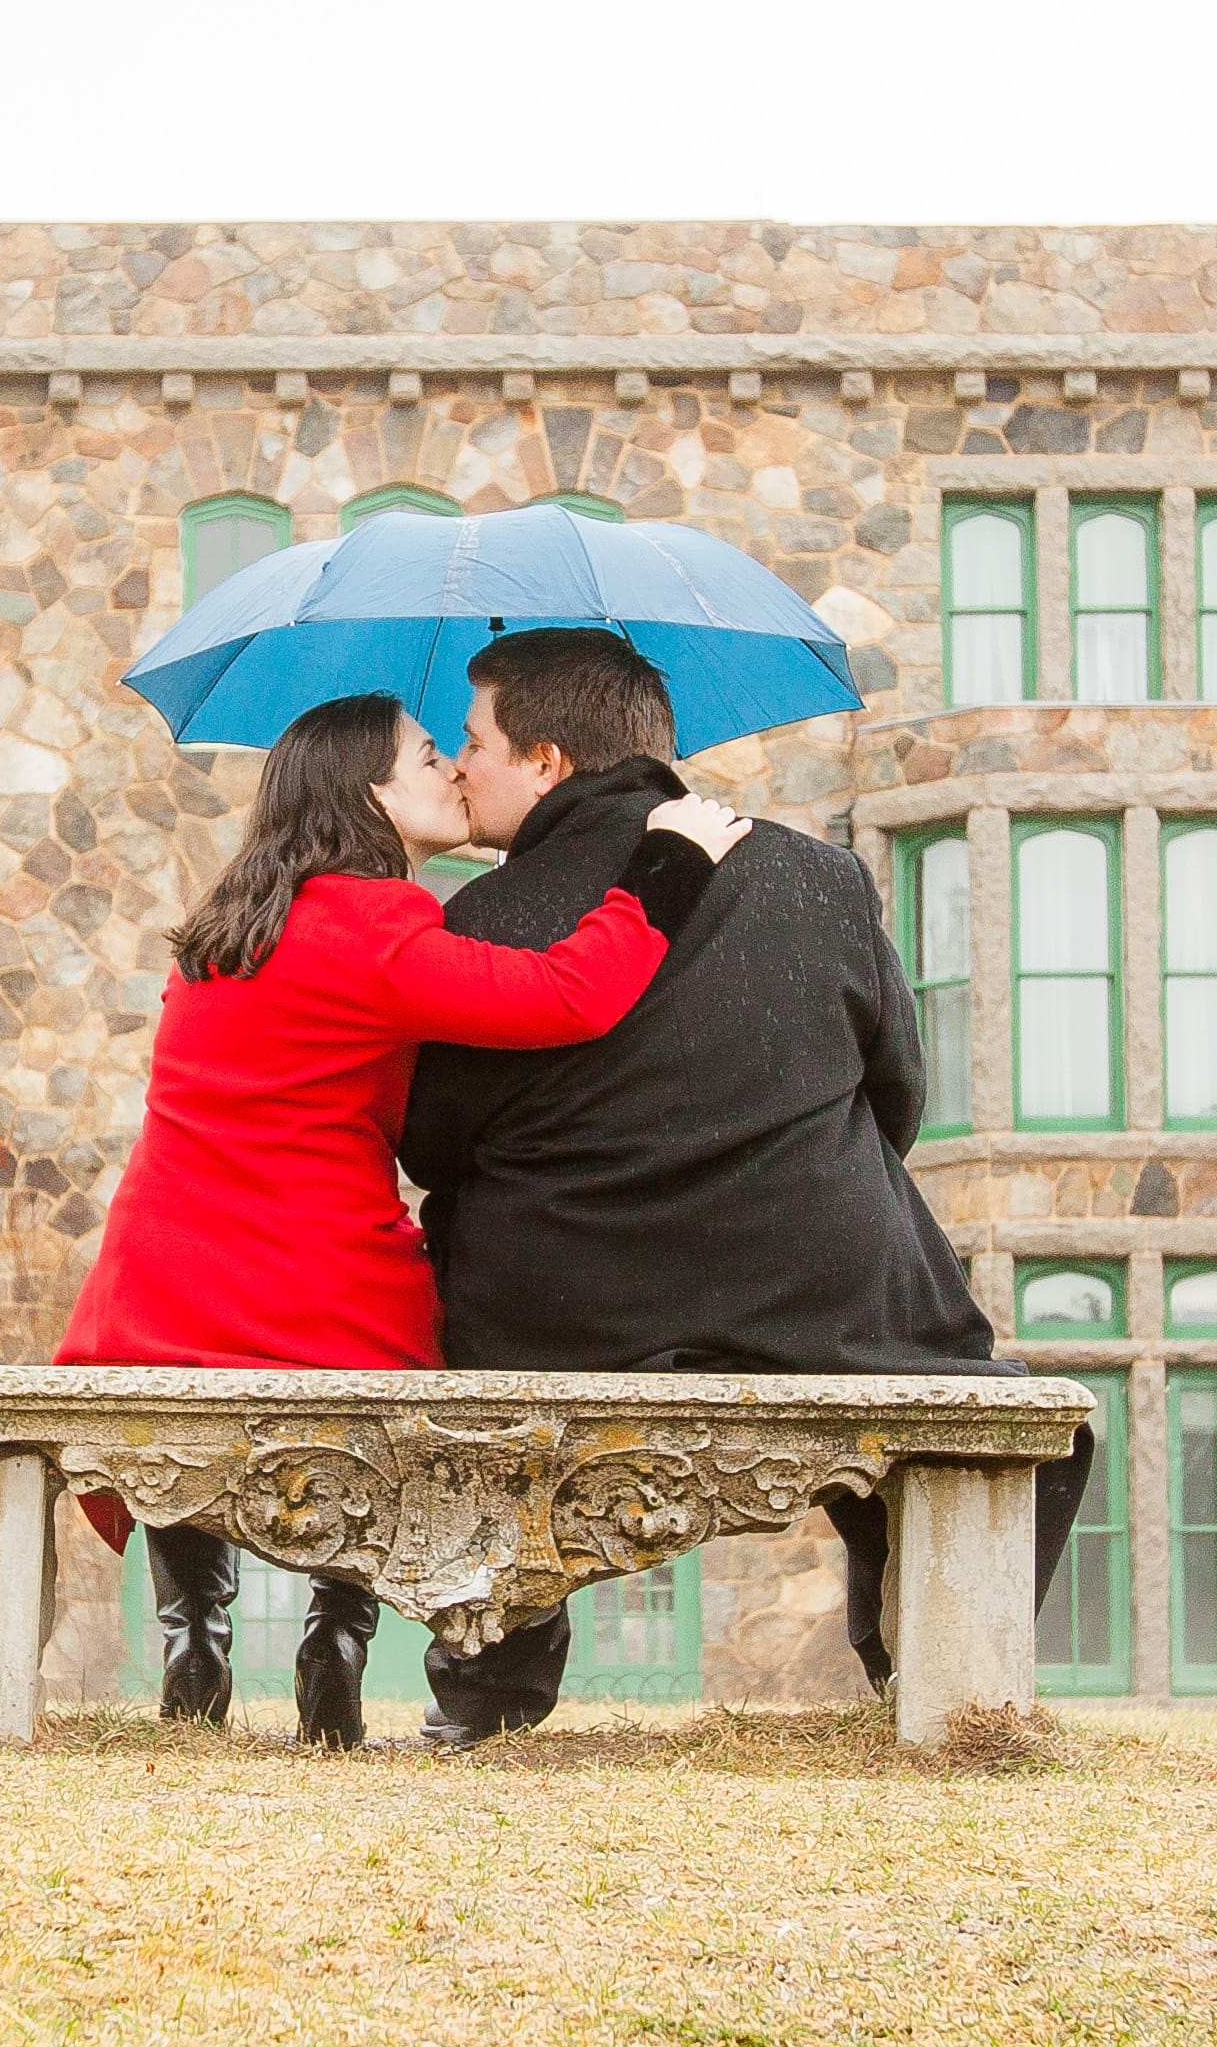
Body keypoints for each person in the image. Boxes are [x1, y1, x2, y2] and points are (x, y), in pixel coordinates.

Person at [396, 625, 1097, 1744]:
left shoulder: (486, 917)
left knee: (475, 1292)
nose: (458, 762)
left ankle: (488, 1692)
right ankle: (920, 1664)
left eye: (475, 739)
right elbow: (899, 1091)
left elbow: (433, 1145)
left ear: (548, 762)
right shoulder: (819, 877)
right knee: (984, 1387)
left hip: (566, 1313)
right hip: (813, 1301)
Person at [55, 686, 749, 1746]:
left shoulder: (232, 923)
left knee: (184, 1401)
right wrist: (668, 865)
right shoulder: (373, 924)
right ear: (366, 796)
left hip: (152, 1282)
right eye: (429, 757)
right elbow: (568, 996)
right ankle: (337, 1637)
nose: (452, 771)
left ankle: (195, 1635)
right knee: (420, 1356)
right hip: (309, 1281)